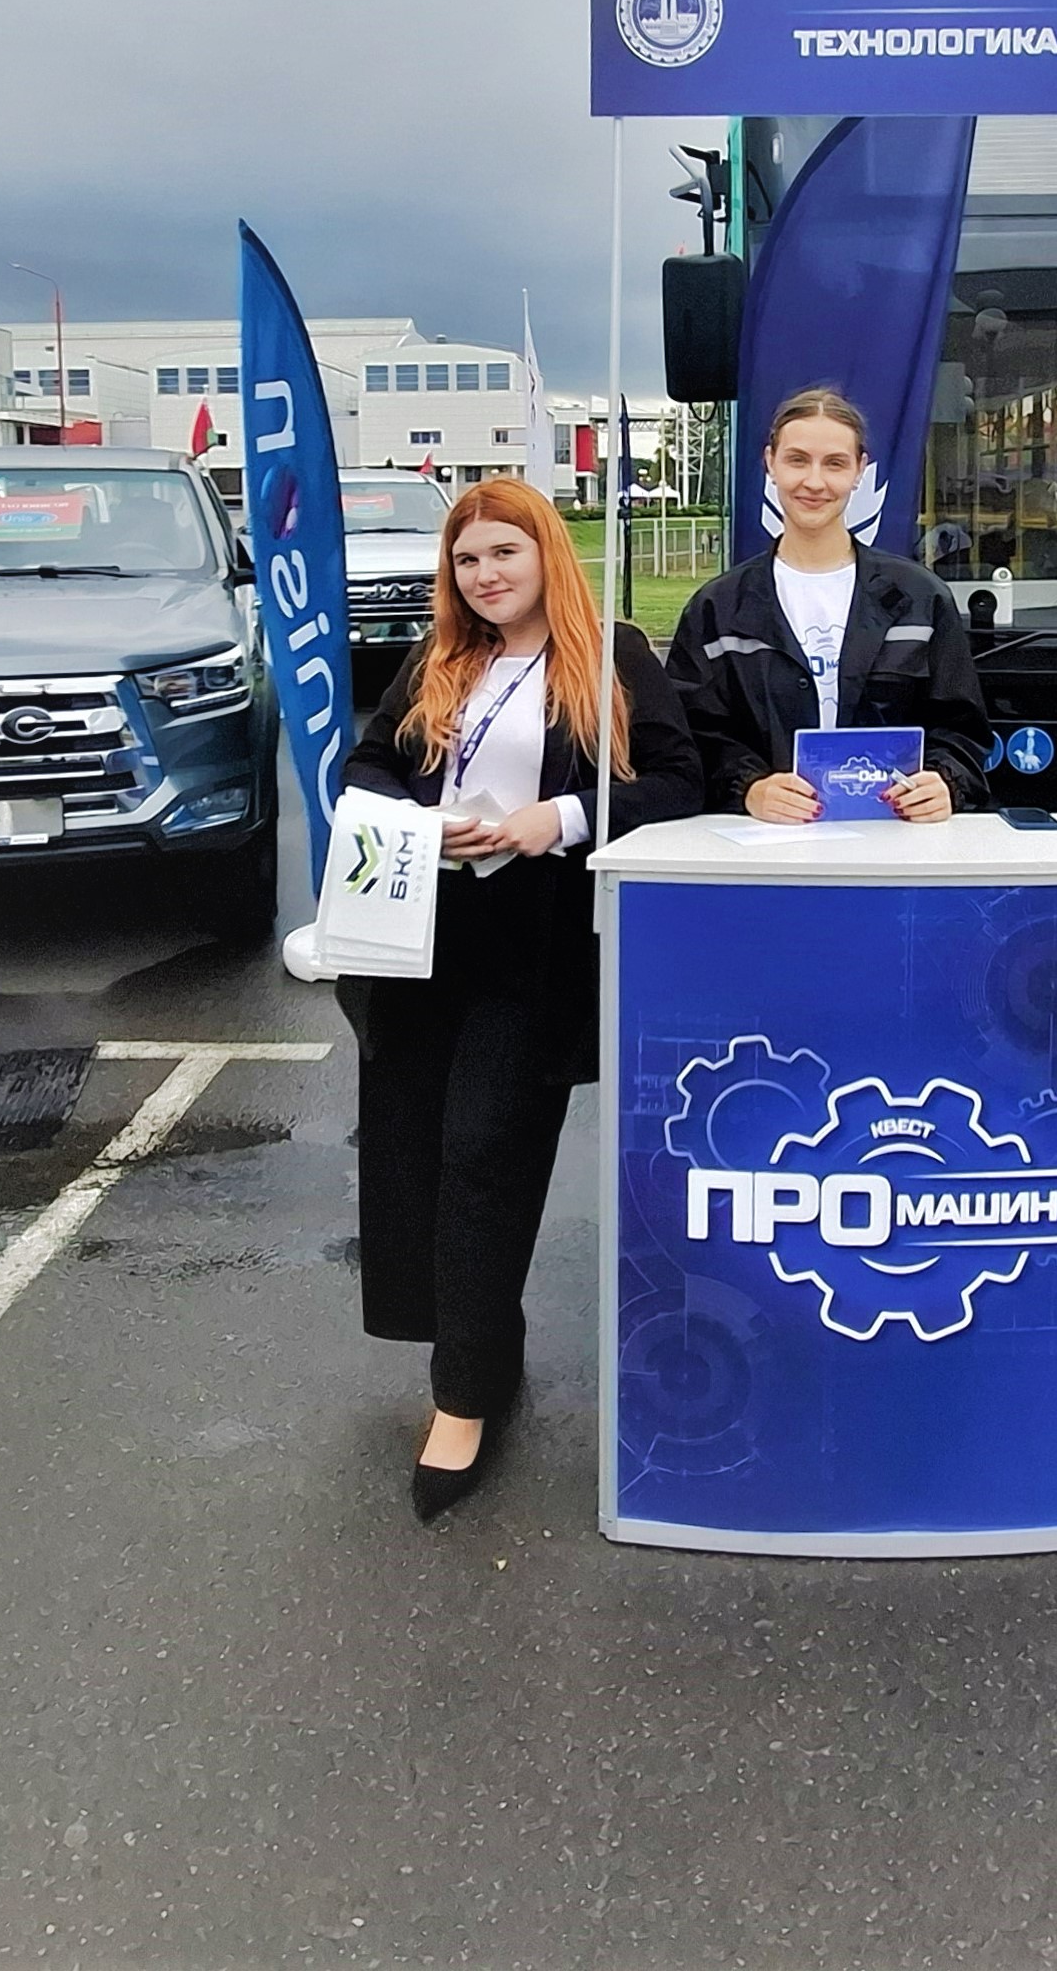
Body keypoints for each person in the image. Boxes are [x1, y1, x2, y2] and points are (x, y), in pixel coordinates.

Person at [336, 476, 701, 1520]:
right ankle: (483, 1348)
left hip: (532, 954)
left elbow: (677, 780)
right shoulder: (438, 660)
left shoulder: (610, 656)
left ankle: (460, 1401)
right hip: (415, 940)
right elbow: (366, 765)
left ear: (547, 553)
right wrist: (418, 820)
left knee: (483, 1157)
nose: (485, 574)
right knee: (413, 1155)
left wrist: (564, 817)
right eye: (466, 559)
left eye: (504, 552)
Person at [667, 387, 993, 823]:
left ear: (860, 470)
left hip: (894, 836)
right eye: (797, 460)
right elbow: (691, 735)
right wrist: (750, 788)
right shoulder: (718, 609)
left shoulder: (920, 599)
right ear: (770, 463)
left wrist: (945, 781)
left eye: (835, 463)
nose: (815, 482)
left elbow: (963, 729)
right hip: (767, 843)